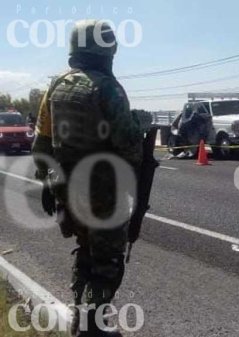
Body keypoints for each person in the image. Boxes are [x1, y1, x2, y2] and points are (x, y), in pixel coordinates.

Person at [32, 20, 143, 337]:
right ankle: (92, 328)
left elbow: (40, 145)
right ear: (107, 49)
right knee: (106, 264)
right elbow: (129, 147)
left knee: (84, 253)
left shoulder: (55, 87)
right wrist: (138, 128)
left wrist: (49, 183)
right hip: (104, 195)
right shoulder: (108, 88)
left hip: (68, 192)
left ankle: (80, 323)